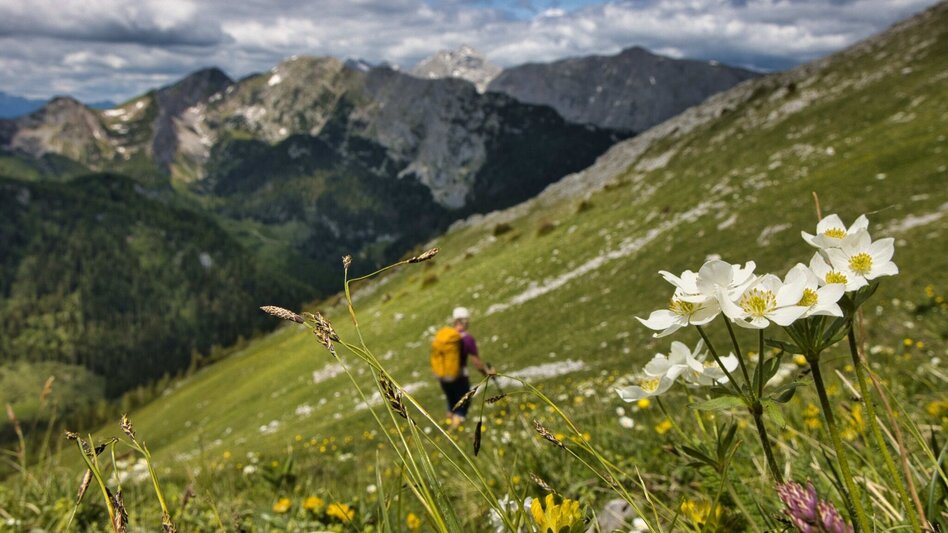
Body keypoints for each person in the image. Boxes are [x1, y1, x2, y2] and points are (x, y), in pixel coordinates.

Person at [431, 306, 495, 428]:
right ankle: (454, 432)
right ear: (465, 321)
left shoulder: (446, 336)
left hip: (443, 377)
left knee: (451, 403)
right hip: (459, 378)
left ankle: (448, 426)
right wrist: (487, 373)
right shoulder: (467, 338)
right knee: (462, 407)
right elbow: (476, 362)